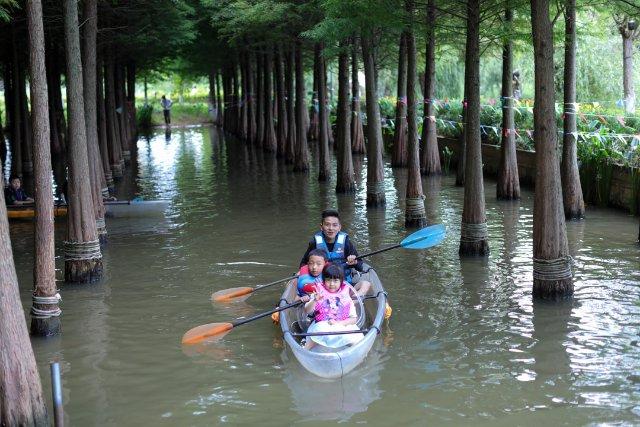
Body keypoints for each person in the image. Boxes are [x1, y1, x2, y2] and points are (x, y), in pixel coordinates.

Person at [300, 209, 372, 297]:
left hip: (344, 283)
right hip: (322, 286)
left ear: (339, 227)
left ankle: (350, 302)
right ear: (321, 227)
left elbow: (360, 266)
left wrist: (354, 262)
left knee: (366, 284)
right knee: (296, 280)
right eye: (327, 225)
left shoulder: (346, 242)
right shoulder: (315, 242)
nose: (331, 228)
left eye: (334, 225)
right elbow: (304, 263)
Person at [303, 264, 363, 350]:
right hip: (321, 326)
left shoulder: (346, 296)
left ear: (341, 281)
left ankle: (356, 355)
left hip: (342, 325)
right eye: (328, 280)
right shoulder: (318, 293)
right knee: (318, 331)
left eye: (335, 281)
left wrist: (339, 324)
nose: (331, 284)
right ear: (323, 281)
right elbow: (307, 311)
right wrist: (315, 300)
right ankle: (305, 351)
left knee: (358, 340)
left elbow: (353, 319)